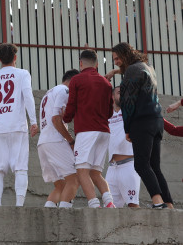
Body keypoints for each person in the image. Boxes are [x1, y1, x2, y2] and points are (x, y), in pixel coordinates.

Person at [113, 42, 173, 209]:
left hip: (142, 122)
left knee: (141, 164)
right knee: (154, 166)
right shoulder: (148, 68)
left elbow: (128, 102)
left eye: (117, 59)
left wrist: (127, 129)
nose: (116, 62)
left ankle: (157, 201)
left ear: (125, 56)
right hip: (156, 120)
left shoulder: (132, 71)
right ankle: (168, 204)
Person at [0, 43, 38, 207]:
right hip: (17, 126)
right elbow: (28, 97)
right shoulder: (22, 74)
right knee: (20, 167)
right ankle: (19, 205)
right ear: (15, 57)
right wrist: (33, 121)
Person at [62, 49, 114, 208]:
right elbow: (110, 112)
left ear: (80, 63)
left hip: (86, 131)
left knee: (82, 170)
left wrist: (65, 117)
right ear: (97, 64)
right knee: (96, 172)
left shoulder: (77, 80)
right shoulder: (106, 83)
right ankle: (109, 202)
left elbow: (70, 107)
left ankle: (94, 204)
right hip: (104, 131)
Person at [36, 70, 80, 208]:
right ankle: (64, 216)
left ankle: (49, 214)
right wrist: (71, 140)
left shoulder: (48, 93)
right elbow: (56, 119)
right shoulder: (64, 91)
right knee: (75, 178)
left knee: (60, 185)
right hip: (55, 140)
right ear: (72, 81)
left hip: (43, 143)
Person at [105, 85, 141, 208]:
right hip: (111, 169)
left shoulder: (130, 111)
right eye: (120, 93)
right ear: (112, 96)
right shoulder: (106, 115)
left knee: (133, 205)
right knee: (109, 209)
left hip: (128, 166)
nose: (124, 95)